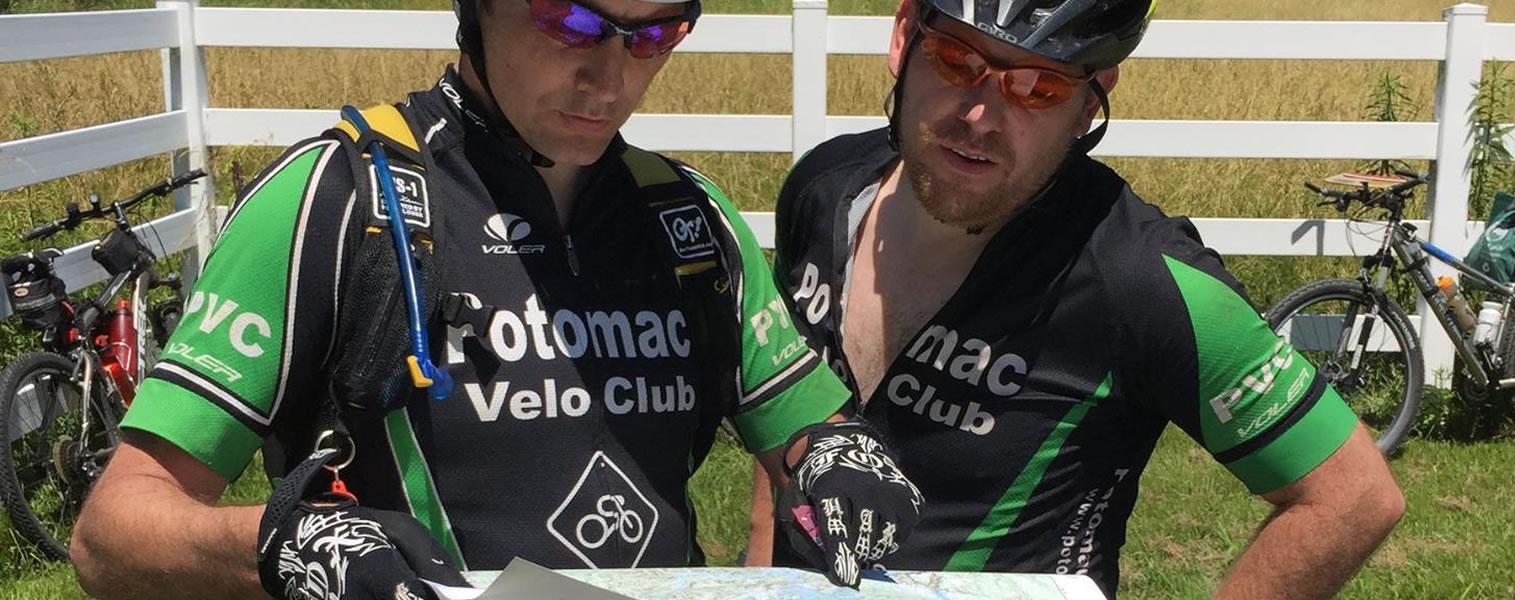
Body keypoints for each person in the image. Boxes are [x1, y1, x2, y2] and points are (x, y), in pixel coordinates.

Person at [68, 0, 923, 597]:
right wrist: (283, 540)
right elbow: (111, 538)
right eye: (570, 22)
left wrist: (839, 456)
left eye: (655, 32)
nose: (609, 78)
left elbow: (806, 437)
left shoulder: (689, 220)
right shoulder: (333, 200)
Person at [746, 0, 1406, 597]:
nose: (980, 116)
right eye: (957, 59)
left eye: (1039, 88)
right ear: (902, 36)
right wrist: (755, 581)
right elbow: (789, 413)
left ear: (1090, 103)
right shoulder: (822, 189)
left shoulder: (1140, 279)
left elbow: (1351, 496)